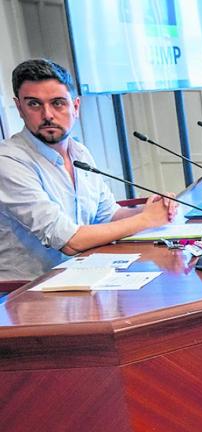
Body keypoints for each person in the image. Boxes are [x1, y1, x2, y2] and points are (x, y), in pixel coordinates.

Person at [0, 59, 179, 282]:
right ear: (19, 108)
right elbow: (69, 241)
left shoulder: (80, 153)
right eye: (34, 104)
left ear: (75, 107)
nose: (47, 115)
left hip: (80, 276)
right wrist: (146, 220)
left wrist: (155, 210)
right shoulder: (8, 162)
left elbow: (108, 216)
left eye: (57, 103)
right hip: (25, 294)